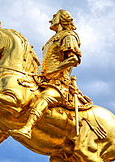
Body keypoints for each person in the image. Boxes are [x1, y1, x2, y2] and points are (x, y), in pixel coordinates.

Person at [10, 9, 82, 140]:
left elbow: (73, 59)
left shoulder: (68, 36)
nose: (50, 20)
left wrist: (53, 72)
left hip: (60, 84)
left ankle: (27, 128)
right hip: (44, 80)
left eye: (54, 17)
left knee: (44, 98)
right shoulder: (52, 39)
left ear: (62, 19)